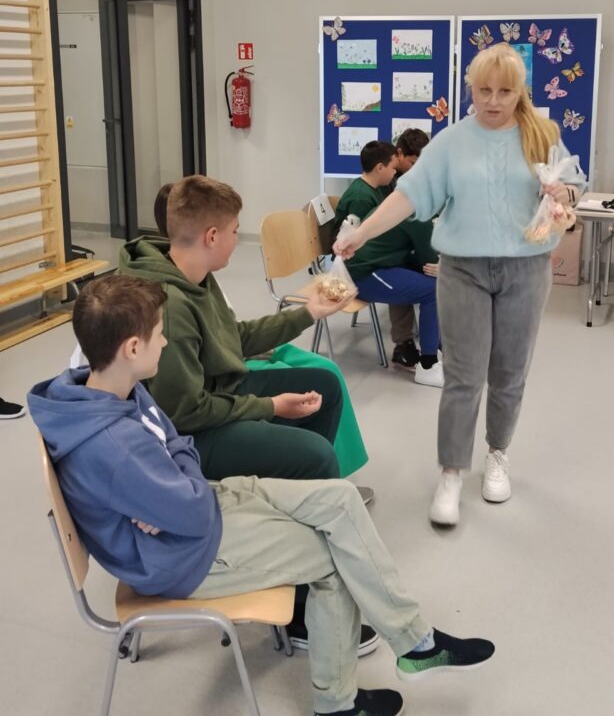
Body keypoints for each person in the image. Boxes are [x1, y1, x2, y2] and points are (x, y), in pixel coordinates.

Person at [28, 276, 495, 716]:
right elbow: (190, 505)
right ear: (132, 348)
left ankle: (416, 643)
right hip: (181, 555)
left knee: (340, 499)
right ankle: (338, 702)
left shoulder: (116, 387)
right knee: (334, 558)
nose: (165, 342)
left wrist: (177, 479)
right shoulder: (113, 447)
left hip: (194, 508)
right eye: (159, 334)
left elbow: (178, 442)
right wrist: (181, 481)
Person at [335, 45, 585, 527]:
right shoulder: (450, 142)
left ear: (520, 91)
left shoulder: (542, 133)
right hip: (463, 270)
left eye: (505, 92)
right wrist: (360, 233)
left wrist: (564, 192)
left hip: (526, 270)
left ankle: (497, 454)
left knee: (509, 371)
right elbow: (409, 196)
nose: (493, 101)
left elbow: (575, 185)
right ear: (470, 88)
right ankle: (451, 471)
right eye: (483, 90)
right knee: (464, 375)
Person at [149, 180, 368, 479]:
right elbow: (185, 412)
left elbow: (234, 338)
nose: (237, 240)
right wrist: (269, 406)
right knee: (319, 455)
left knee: (326, 386)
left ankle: (300, 485)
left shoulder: (194, 274)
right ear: (212, 237)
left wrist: (309, 312)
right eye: (235, 231)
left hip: (219, 390)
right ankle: (309, 479)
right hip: (191, 434)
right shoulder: (171, 307)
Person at [336, 142, 443, 387]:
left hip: (379, 266)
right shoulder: (418, 213)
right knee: (434, 289)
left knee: (432, 282)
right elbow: (428, 261)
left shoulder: (408, 201)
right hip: (363, 273)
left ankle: (437, 349)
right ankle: (428, 365)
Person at [388, 129, 431, 371]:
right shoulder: (388, 178)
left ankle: (436, 337)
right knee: (406, 271)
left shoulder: (409, 178)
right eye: (413, 163)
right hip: (388, 255)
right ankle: (403, 343)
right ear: (400, 154)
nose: (416, 170)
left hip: (402, 245)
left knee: (434, 270)